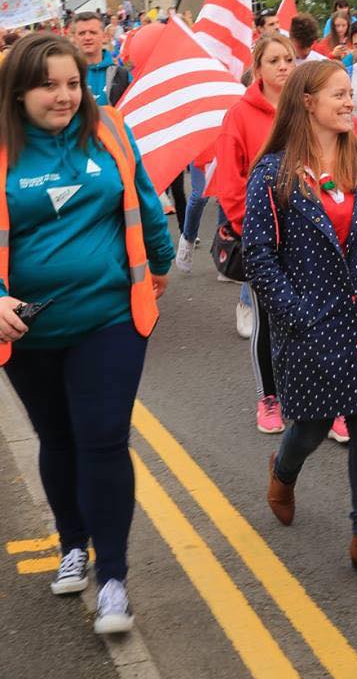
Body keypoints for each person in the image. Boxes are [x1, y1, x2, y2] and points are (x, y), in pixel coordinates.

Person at [0, 33, 173, 634]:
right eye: (49, 84)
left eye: (73, 82)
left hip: (110, 319)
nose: (65, 95)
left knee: (102, 438)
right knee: (57, 437)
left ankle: (115, 579)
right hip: (30, 332)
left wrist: (161, 260)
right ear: (18, 91)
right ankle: (72, 542)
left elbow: (144, 197)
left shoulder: (109, 128)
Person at [243, 60, 357, 592]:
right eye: (337, 95)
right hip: (312, 326)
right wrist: (298, 315)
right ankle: (283, 472)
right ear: (307, 102)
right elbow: (260, 258)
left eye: (349, 95)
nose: (348, 102)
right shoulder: (272, 175)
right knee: (311, 428)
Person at [215, 34, 352, 439]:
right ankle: (270, 398)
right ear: (257, 70)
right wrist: (256, 233)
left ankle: (329, 401)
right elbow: (230, 185)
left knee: (324, 322)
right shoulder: (238, 117)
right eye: (273, 60)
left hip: (316, 240)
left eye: (288, 59)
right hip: (268, 243)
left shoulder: (307, 110)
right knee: (270, 323)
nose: (283, 66)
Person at [72, 12, 130, 106]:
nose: (87, 37)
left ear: (104, 37)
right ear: (74, 39)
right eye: (82, 33)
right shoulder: (65, 75)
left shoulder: (122, 76)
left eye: (93, 32)